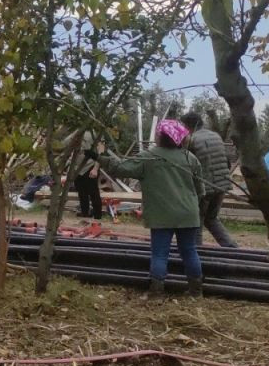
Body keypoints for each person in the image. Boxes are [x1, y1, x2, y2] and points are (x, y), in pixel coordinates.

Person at [99, 119, 205, 296]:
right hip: (188, 213)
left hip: (161, 214)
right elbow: (200, 190)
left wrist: (99, 158)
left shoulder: (149, 156)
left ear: (160, 136)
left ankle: (156, 292)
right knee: (189, 251)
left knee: (160, 253)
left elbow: (121, 168)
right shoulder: (190, 158)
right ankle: (196, 290)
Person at [181, 112, 238, 247]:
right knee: (211, 219)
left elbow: (187, 164)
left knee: (197, 222)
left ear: (188, 125)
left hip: (205, 187)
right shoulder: (215, 136)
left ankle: (197, 255)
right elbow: (227, 162)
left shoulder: (192, 140)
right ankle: (233, 249)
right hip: (222, 185)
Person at [75, 131, 103, 219]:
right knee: (82, 195)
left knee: (94, 194)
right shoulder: (74, 132)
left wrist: (95, 168)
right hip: (77, 169)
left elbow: (101, 150)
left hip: (90, 166)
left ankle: (97, 219)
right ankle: (85, 218)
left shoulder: (93, 132)